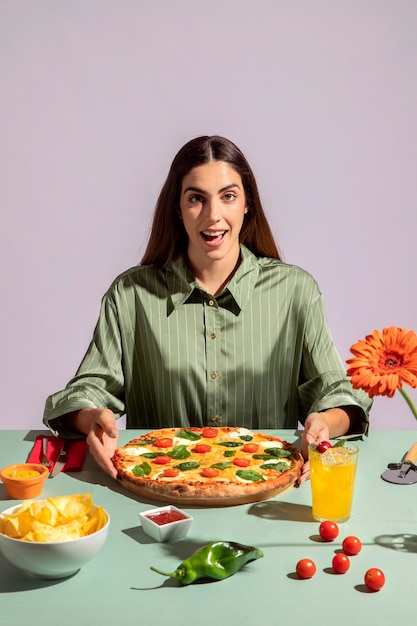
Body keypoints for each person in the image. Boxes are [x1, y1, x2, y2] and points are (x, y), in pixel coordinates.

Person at [43, 135, 371, 483]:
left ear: (247, 204)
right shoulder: (130, 294)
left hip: (265, 496)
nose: (213, 216)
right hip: (158, 495)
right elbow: (90, 387)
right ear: (178, 207)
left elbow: (336, 390)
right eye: (196, 199)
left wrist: (326, 422)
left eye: (228, 196)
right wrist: (92, 417)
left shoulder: (296, 291)